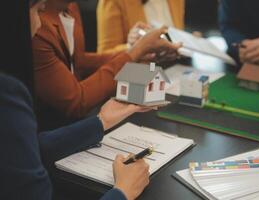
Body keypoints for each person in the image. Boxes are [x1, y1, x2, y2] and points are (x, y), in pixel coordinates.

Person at [0, 0, 154, 199]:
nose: (38, 24)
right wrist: (123, 191)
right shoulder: (7, 94)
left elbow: (26, 148)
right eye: (37, 11)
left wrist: (101, 121)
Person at [32, 0, 180, 129]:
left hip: (76, 120)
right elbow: (77, 102)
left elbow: (78, 62)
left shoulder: (70, 7)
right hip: (52, 126)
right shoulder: (38, 27)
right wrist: (137, 50)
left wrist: (136, 51)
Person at [97, 0, 185, 53]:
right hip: (139, 74)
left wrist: (189, 40)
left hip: (173, 69)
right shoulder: (112, 1)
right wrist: (131, 47)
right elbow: (103, 57)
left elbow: (174, 35)